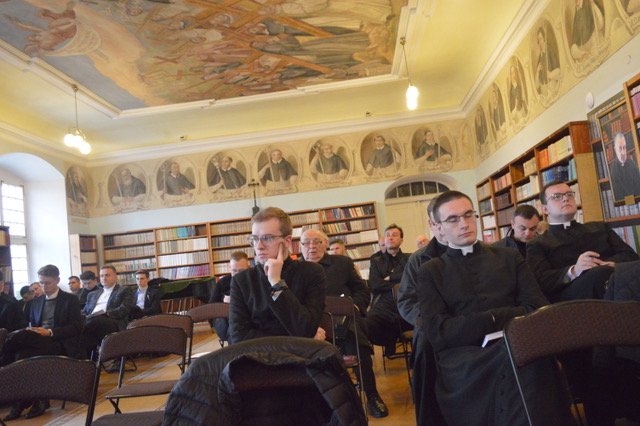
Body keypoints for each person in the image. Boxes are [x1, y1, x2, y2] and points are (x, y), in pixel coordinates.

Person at [417, 191, 572, 425]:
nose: (464, 224)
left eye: (468, 215)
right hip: (466, 358)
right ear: (438, 227)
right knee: (520, 364)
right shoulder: (431, 271)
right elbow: (439, 332)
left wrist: (484, 320)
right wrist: (498, 318)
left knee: (530, 362)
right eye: (453, 219)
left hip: (519, 343)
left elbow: (538, 308)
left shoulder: (509, 257)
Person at [300, 229, 388, 418]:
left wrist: (354, 306)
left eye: (316, 242)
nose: (311, 246)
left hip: (344, 321)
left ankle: (372, 395)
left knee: (358, 344)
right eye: (306, 242)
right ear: (300, 246)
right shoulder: (294, 270)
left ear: (325, 244)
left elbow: (362, 290)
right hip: (310, 324)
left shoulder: (342, 263)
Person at [527, 180, 639, 303]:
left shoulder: (600, 227)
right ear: (545, 209)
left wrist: (609, 264)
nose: (565, 198)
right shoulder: (538, 244)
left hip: (614, 278)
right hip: (573, 298)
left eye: (569, 194)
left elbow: (630, 255)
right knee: (600, 274)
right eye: (556, 197)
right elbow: (542, 281)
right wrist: (574, 270)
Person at [228, 207, 326, 343]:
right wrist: (293, 340)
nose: (259, 246)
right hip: (257, 355)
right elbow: (238, 337)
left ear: (287, 241)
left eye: (267, 238)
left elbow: (305, 329)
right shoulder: (242, 280)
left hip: (300, 356)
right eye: (255, 239)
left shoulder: (311, 272)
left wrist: (276, 283)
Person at [2, 264, 81, 421]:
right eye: (41, 283)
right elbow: (31, 323)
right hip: (38, 342)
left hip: (58, 341)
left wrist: (50, 332)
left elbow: (75, 328)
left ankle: (23, 400)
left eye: (47, 283)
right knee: (20, 355)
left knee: (15, 349)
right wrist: (32, 330)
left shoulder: (70, 300)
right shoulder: (36, 302)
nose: (44, 287)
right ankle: (33, 399)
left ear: (57, 280)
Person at [397, 197, 448, 426]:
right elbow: (406, 301)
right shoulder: (418, 259)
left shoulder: (481, 253)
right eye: (446, 220)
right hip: (432, 327)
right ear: (433, 224)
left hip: (473, 323)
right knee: (426, 345)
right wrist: (434, 320)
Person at [364, 223, 411, 354]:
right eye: (387, 235)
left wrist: (391, 277)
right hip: (385, 302)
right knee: (368, 322)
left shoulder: (410, 258)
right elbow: (375, 284)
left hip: (407, 300)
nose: (390, 238)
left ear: (401, 240)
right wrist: (399, 283)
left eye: (394, 235)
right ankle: (389, 339)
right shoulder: (376, 260)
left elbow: (413, 279)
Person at [81, 265, 134, 353]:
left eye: (107, 275)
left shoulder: (124, 290)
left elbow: (125, 308)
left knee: (97, 321)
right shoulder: (92, 294)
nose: (104, 278)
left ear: (115, 277)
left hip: (112, 321)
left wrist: (106, 314)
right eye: (102, 276)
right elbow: (85, 311)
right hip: (91, 321)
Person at [208, 251, 250, 342]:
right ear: (229, 267)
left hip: (246, 317)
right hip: (225, 320)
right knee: (232, 323)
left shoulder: (252, 281)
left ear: (248, 268)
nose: (237, 275)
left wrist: (236, 300)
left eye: (241, 271)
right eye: (234, 271)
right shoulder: (223, 283)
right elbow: (211, 307)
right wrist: (224, 305)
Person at [609, 132, 640, 200]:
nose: (623, 152)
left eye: (624, 147)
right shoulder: (613, 170)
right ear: (615, 149)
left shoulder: (632, 164)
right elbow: (617, 196)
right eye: (620, 148)